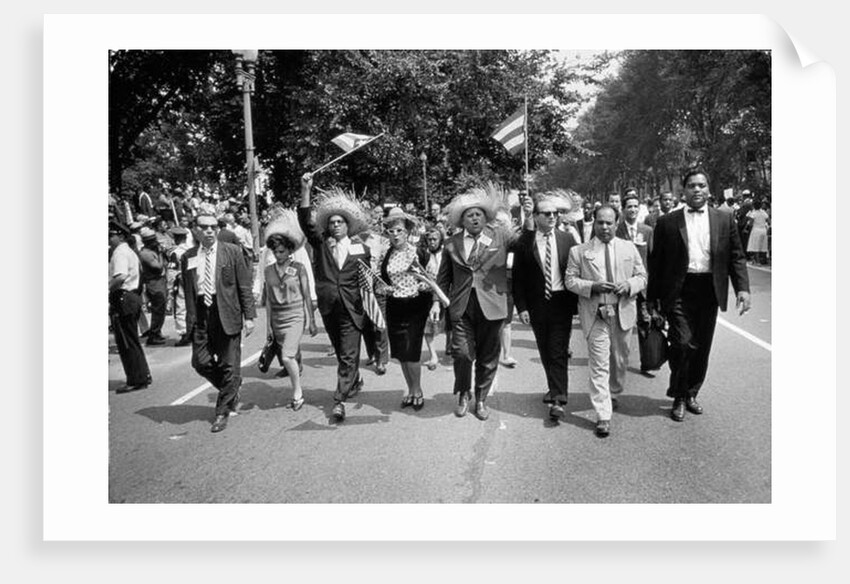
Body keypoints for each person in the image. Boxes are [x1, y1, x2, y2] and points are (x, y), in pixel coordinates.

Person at [647, 168, 750, 422]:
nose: (697, 190)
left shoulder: (725, 220)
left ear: (708, 189)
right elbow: (656, 263)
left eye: (701, 185)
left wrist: (743, 289)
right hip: (679, 290)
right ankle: (679, 395)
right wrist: (652, 301)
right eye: (692, 185)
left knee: (701, 346)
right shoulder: (667, 222)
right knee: (682, 343)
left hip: (709, 289)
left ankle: (692, 392)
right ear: (684, 190)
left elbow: (736, 256)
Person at [431, 187, 516, 421]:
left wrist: (527, 217)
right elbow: (443, 278)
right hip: (461, 306)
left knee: (489, 357)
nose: (475, 218)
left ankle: (481, 398)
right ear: (462, 221)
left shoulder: (499, 237)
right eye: (470, 215)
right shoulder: (451, 244)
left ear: (485, 217)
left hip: (492, 305)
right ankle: (462, 393)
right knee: (462, 354)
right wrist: (437, 302)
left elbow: (524, 242)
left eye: (478, 213)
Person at [566, 205, 647, 437]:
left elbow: (642, 277)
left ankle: (614, 391)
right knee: (599, 363)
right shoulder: (579, 251)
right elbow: (570, 280)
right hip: (596, 315)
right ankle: (603, 414)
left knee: (619, 360)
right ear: (594, 223)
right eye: (600, 222)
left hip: (622, 313)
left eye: (609, 223)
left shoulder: (629, 248)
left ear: (616, 223)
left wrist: (629, 285)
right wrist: (592, 287)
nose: (604, 227)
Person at [298, 173, 371, 422]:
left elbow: (368, 281)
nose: (336, 225)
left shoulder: (361, 249)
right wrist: (305, 190)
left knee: (349, 354)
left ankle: (339, 401)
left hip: (352, 308)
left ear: (348, 225)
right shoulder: (321, 244)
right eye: (332, 222)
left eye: (340, 222)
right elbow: (306, 222)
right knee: (342, 352)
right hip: (329, 306)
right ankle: (354, 379)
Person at [181, 212, 256, 433]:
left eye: (213, 227)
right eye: (204, 227)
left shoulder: (232, 252)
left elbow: (244, 286)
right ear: (195, 230)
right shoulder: (189, 256)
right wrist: (189, 321)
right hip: (202, 314)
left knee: (228, 365)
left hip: (226, 313)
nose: (209, 231)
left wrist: (250, 317)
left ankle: (222, 412)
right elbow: (188, 292)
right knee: (200, 362)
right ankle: (231, 386)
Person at [512, 194, 579, 420]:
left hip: (562, 302)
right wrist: (521, 307)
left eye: (555, 214)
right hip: (537, 303)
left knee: (558, 349)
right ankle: (554, 386)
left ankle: (559, 399)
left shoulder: (567, 239)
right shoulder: (525, 242)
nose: (552, 217)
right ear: (536, 216)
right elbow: (518, 278)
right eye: (547, 214)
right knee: (544, 349)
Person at [378, 207, 433, 410]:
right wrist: (384, 288)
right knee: (401, 352)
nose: (395, 235)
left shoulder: (418, 252)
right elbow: (381, 280)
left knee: (412, 351)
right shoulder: (387, 254)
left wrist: (423, 286)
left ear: (407, 231)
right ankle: (409, 389)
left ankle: (418, 389)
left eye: (399, 230)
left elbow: (431, 279)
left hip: (415, 306)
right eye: (391, 231)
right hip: (395, 306)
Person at [262, 225, 317, 412]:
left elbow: (306, 295)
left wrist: (312, 320)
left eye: (282, 251)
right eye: (275, 251)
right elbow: (268, 299)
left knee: (286, 356)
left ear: (290, 250)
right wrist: (268, 325)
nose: (278, 255)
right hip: (277, 318)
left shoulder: (299, 268)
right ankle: (296, 380)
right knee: (288, 355)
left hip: (295, 315)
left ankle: (297, 392)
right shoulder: (268, 271)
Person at [109, 221, 152, 393]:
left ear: (119, 236)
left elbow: (120, 276)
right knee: (132, 339)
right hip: (131, 296)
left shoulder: (120, 253)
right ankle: (142, 374)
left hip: (124, 296)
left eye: (111, 236)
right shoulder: (129, 251)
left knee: (126, 341)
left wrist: (107, 287)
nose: (109, 239)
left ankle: (136, 378)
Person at [616, 191, 655, 374]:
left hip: (642, 286)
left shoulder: (646, 231)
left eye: (635, 206)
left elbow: (653, 259)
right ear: (623, 210)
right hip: (622, 286)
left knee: (645, 322)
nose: (632, 210)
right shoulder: (615, 231)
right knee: (621, 326)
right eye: (629, 206)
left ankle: (647, 362)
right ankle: (619, 361)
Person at [422, 227, 449, 369]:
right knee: (428, 326)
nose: (432, 242)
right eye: (429, 239)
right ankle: (433, 356)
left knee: (450, 325)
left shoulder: (446, 253)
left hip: (446, 292)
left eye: (435, 239)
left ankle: (450, 350)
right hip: (428, 293)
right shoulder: (423, 254)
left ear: (440, 240)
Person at [138, 227, 169, 346]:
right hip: (153, 283)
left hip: (160, 281)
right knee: (158, 309)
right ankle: (154, 334)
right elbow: (158, 266)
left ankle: (157, 331)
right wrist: (160, 253)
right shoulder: (145, 253)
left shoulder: (153, 251)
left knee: (161, 309)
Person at [168, 226, 193, 346]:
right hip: (192, 281)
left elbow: (171, 271)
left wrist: (170, 287)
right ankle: (193, 330)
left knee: (180, 307)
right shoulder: (191, 250)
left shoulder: (175, 253)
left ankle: (184, 334)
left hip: (181, 281)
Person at [745, 200, 770, 265]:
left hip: (756, 230)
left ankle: (758, 261)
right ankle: (764, 261)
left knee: (755, 246)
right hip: (763, 230)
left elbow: (750, 224)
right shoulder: (763, 212)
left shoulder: (753, 213)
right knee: (763, 246)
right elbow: (768, 220)